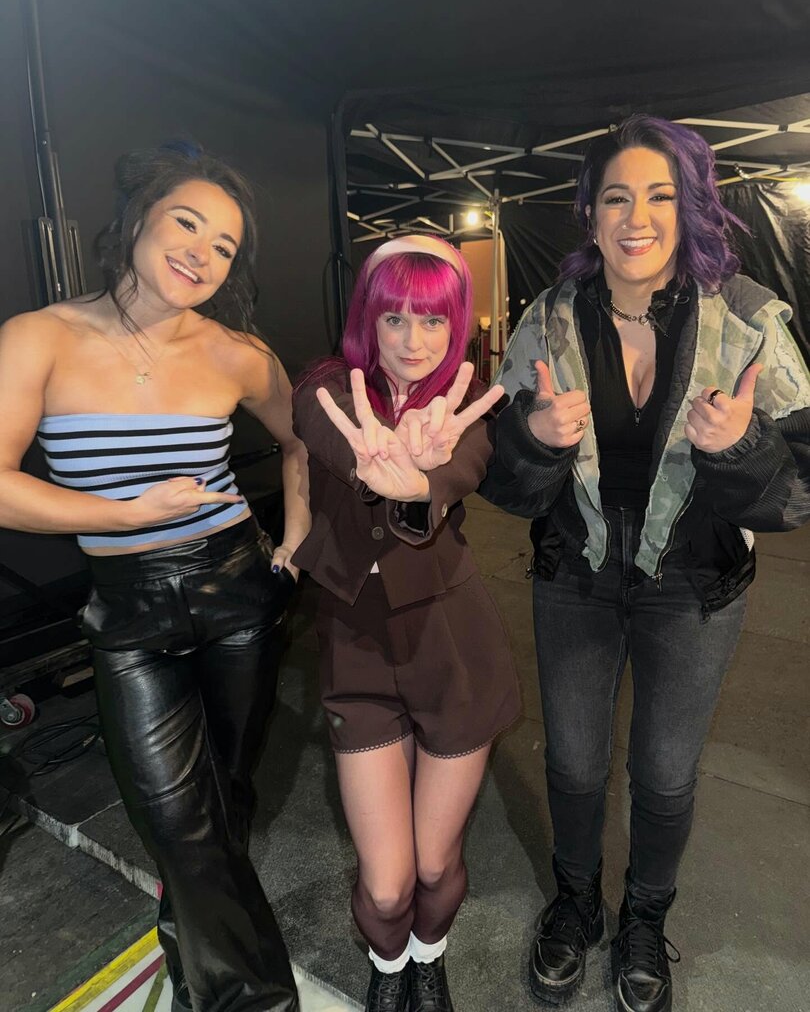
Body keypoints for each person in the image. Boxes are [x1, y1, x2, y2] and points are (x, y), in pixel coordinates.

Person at [481, 115, 810, 1012]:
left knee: (664, 775)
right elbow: (503, 482)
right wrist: (534, 439)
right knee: (574, 765)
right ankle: (577, 904)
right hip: (574, 581)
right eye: (617, 197)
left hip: (696, 589)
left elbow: (797, 491)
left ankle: (644, 919)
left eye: (661, 196)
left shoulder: (746, 319)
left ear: (690, 206)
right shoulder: (549, 317)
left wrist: (741, 449)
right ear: (589, 214)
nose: (638, 218)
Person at [0, 143, 309, 1011]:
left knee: (224, 805)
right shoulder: (40, 337)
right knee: (176, 820)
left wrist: (297, 539)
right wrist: (124, 514)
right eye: (188, 224)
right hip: (130, 616)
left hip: (238, 594)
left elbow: (302, 442)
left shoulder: (238, 353)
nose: (202, 254)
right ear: (138, 218)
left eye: (224, 247)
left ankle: (196, 958)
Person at [292, 234, 521, 1012]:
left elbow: (461, 467)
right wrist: (375, 458)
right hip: (356, 651)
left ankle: (428, 959)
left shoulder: (463, 405)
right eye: (394, 318)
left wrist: (421, 484)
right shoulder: (328, 388)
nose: (412, 341)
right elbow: (325, 429)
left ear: (455, 325)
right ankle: (387, 965)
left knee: (432, 865)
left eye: (432, 320)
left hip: (453, 647)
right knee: (387, 886)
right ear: (368, 318)